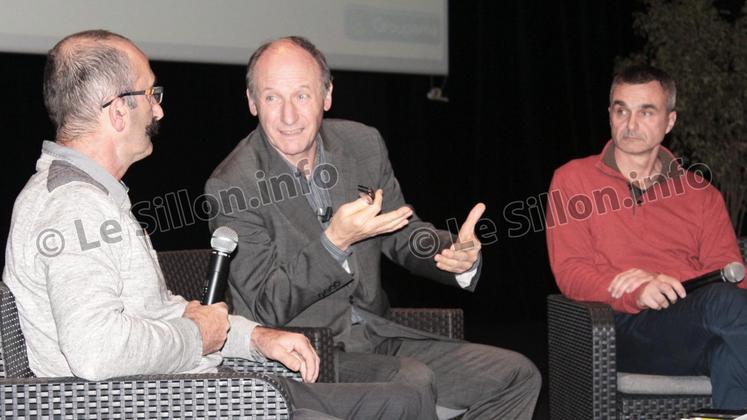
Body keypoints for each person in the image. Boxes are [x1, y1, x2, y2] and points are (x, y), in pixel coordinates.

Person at [2, 29, 426, 420]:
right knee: (395, 402)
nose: (159, 108)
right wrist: (195, 335)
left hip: (186, 389)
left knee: (404, 398)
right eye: (151, 93)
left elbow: (151, 314)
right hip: (166, 403)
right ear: (117, 112)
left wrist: (256, 337)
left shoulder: (91, 195)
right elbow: (96, 352)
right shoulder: (74, 207)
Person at [206, 35, 541, 420]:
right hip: (306, 354)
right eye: (271, 98)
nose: (288, 116)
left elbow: (399, 229)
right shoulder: (234, 184)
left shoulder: (362, 144)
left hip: (377, 334)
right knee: (410, 382)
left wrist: (449, 253)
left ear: (327, 96)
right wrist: (334, 243)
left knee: (517, 375)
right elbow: (267, 304)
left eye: (302, 96)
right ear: (252, 103)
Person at [546, 64, 747, 409]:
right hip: (616, 328)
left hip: (688, 322)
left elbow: (730, 274)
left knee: (729, 355)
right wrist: (636, 291)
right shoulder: (573, 180)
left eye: (646, 111)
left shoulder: (701, 194)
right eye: (621, 110)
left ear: (670, 122)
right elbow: (570, 271)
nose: (631, 124)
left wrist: (672, 283)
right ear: (610, 114)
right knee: (725, 306)